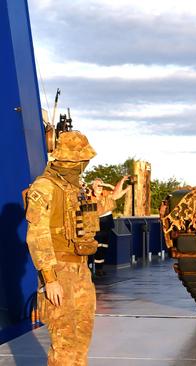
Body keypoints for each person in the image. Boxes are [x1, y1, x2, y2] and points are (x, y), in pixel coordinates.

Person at [24, 131, 126, 365]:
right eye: (82, 161)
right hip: (59, 271)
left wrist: (112, 199)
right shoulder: (45, 187)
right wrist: (50, 279)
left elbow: (83, 216)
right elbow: (37, 235)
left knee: (81, 336)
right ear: (71, 160)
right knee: (65, 341)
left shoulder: (72, 187)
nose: (84, 165)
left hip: (80, 270)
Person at [90, 178, 128, 276]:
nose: (99, 187)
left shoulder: (106, 193)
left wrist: (122, 182)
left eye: (101, 184)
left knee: (104, 246)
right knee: (96, 245)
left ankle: (100, 268)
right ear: (92, 186)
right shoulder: (89, 195)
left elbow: (116, 193)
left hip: (106, 222)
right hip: (95, 223)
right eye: (97, 184)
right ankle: (93, 268)